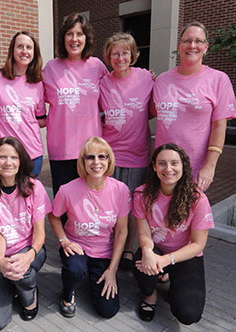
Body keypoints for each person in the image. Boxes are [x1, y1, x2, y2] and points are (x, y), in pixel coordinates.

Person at [48, 137, 131, 319]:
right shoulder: (68, 190)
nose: (96, 162)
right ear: (82, 162)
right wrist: (64, 241)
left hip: (104, 252)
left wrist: (112, 270)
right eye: (90, 157)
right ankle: (68, 294)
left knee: (108, 311)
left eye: (102, 157)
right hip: (76, 246)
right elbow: (54, 216)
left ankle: (96, 276)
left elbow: (122, 231)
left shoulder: (121, 190)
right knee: (75, 269)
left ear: (109, 160)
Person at [0, 136, 51, 331]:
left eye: (14, 157)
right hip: (1, 254)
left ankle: (30, 298)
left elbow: (40, 233)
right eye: (2, 157)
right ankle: (12, 282)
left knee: (22, 272)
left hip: (31, 249)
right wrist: (0, 261)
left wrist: (28, 256)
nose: (8, 162)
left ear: (21, 161)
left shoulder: (34, 188)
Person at [132, 143, 214, 324]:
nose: (168, 169)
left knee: (188, 314)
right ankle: (150, 295)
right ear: (154, 166)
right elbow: (144, 232)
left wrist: (165, 261)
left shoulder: (197, 199)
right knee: (141, 265)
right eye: (162, 163)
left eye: (174, 163)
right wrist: (147, 251)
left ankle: (171, 280)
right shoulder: (142, 194)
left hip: (186, 255)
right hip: (157, 249)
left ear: (183, 166)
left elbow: (198, 245)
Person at [152, 22, 236, 192]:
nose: (192, 45)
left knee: (188, 216)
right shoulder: (162, 80)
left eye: (198, 41)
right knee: (159, 214)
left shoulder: (219, 80)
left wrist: (210, 166)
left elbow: (219, 126)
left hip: (194, 169)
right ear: (179, 46)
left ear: (206, 47)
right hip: (162, 167)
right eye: (187, 41)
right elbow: (150, 112)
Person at [100, 32, 154, 270]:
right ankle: (109, 245)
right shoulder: (103, 82)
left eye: (125, 53)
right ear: (108, 56)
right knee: (110, 204)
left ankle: (129, 250)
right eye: (115, 53)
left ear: (133, 55)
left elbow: (151, 109)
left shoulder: (145, 78)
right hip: (109, 155)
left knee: (133, 206)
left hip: (137, 154)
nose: (120, 57)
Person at [43, 13, 108, 197]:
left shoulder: (97, 66)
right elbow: (31, 93)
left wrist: (143, 76)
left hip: (91, 148)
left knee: (91, 199)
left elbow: (115, 92)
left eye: (79, 34)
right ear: (63, 38)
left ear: (86, 38)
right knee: (64, 202)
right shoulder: (51, 68)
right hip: (61, 148)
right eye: (69, 34)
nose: (74, 39)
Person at [0, 31, 46, 177]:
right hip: (4, 156)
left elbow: (40, 120)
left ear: (34, 53)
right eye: (20, 46)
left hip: (32, 154)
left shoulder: (37, 82)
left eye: (29, 47)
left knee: (29, 198)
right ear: (12, 50)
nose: (24, 51)